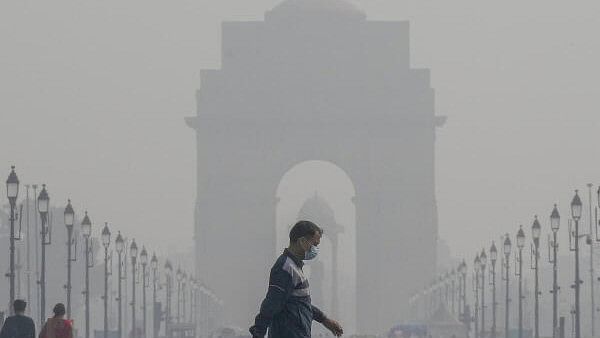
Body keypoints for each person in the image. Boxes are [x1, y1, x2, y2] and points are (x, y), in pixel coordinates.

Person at [249, 220, 344, 338]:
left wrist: (324, 319)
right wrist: (258, 332)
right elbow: (272, 303)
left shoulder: (295, 267)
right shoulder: (285, 268)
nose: (315, 249)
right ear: (302, 241)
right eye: (314, 244)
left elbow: (300, 303)